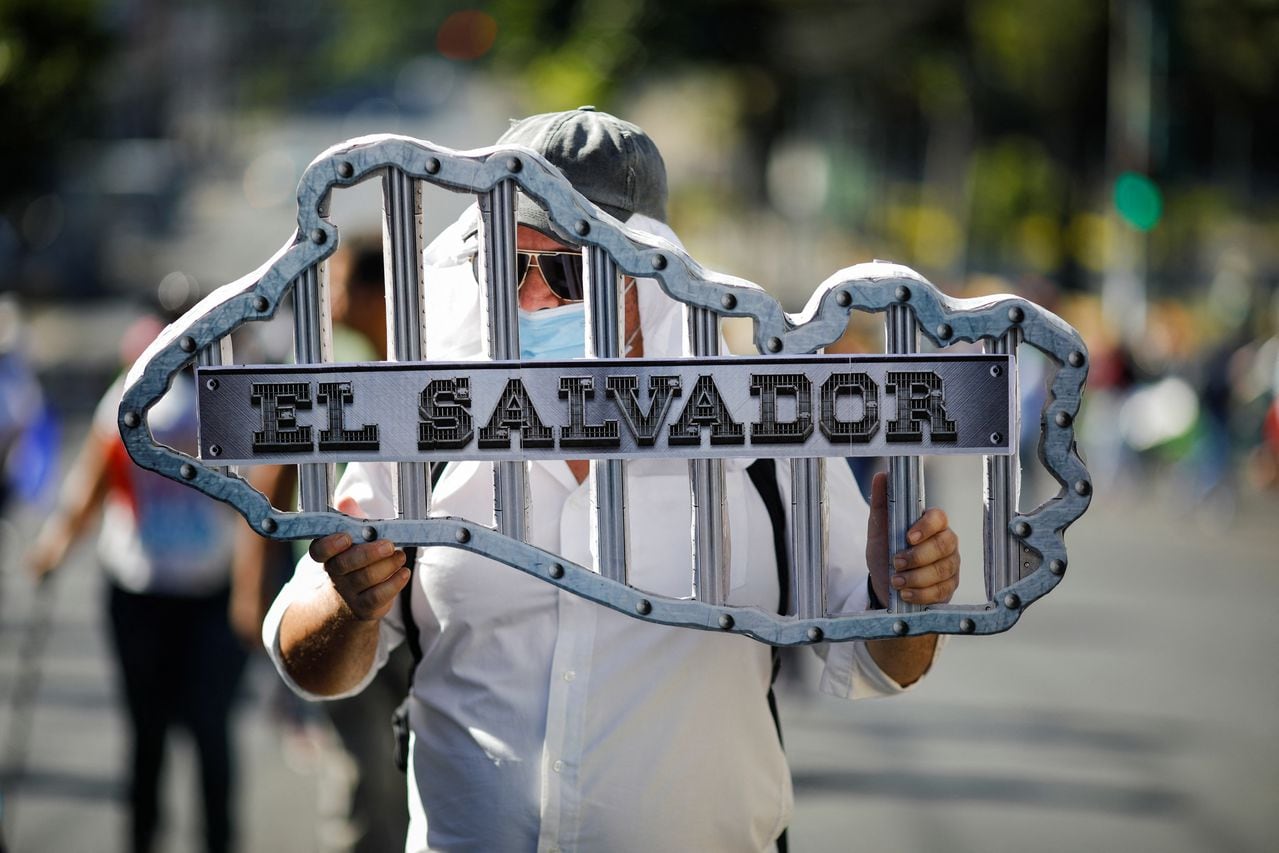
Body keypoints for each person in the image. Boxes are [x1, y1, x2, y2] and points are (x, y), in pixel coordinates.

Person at [263, 107, 961, 852]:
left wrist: (904, 595)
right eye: (503, 265)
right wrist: (348, 602)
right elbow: (312, 664)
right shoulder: (425, 427)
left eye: (563, 270)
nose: (527, 297)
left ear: (646, 273)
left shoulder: (758, 435)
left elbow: (881, 663)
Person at [28, 313, 246, 853]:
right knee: (180, 736)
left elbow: (89, 488)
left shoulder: (185, 400)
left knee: (185, 736)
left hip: (190, 594)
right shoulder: (146, 400)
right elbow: (96, 483)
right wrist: (55, 546)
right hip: (152, 591)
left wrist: (56, 547)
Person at [230, 235, 411, 853]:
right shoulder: (331, 373)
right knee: (365, 777)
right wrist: (254, 586)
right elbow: (271, 478)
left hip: (422, 611)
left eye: (339, 288)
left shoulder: (443, 366)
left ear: (378, 295)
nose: (328, 302)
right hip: (341, 600)